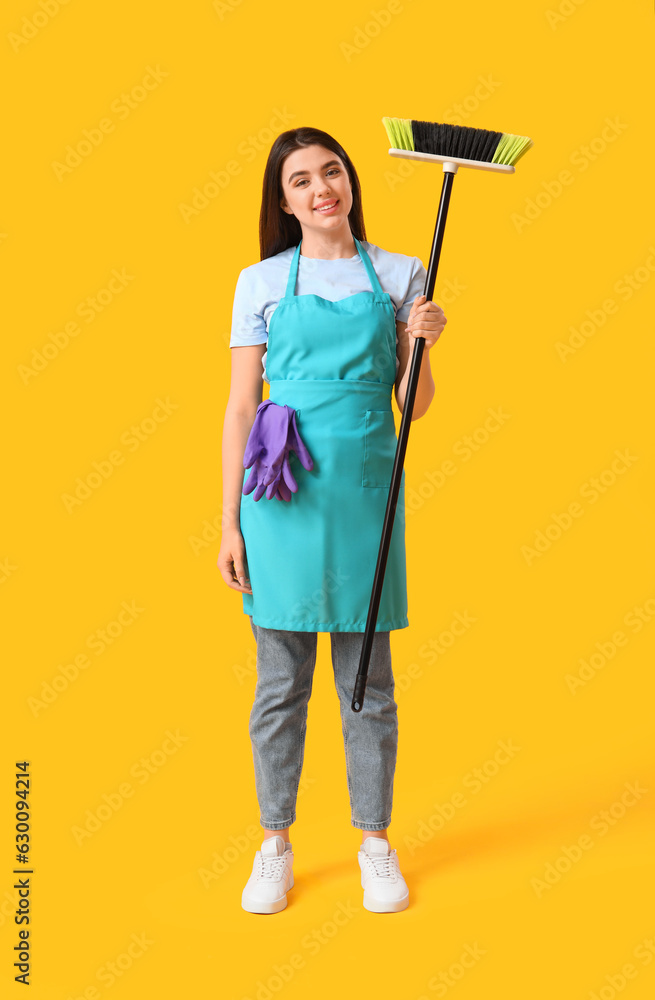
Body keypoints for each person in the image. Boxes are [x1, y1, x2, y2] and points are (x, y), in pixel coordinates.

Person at [218, 126, 446, 914]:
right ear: (283, 202)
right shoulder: (258, 281)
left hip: (361, 497)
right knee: (280, 683)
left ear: (349, 181)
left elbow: (411, 407)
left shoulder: (397, 273)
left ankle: (374, 845)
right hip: (278, 497)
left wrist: (418, 346)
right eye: (301, 181)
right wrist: (227, 524)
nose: (322, 188)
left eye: (332, 172)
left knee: (366, 686)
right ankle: (274, 843)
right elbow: (243, 406)